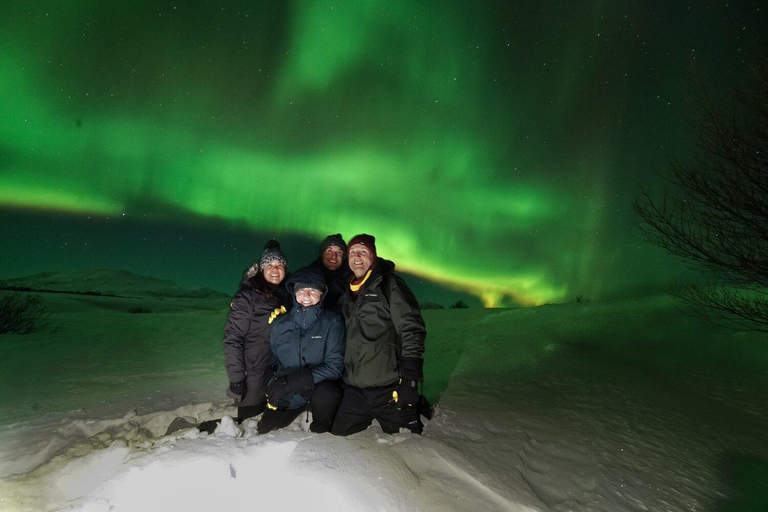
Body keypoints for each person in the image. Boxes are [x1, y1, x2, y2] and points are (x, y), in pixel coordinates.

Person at [331, 234, 427, 436]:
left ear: (373, 257)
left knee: (410, 443)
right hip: (354, 392)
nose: (357, 257)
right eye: (352, 253)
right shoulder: (347, 293)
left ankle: (418, 406)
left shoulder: (389, 285)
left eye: (363, 252)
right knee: (338, 441)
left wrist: (410, 379)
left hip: (388, 390)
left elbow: (411, 328)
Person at [197, 240, 291, 434]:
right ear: (261, 268)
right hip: (252, 377)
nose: (275, 270)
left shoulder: (286, 296)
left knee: (272, 425)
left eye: (280, 265)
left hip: (276, 373)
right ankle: (210, 432)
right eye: (270, 265)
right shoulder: (247, 298)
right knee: (249, 426)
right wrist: (237, 379)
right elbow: (233, 339)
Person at [258, 266, 345, 434]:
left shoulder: (332, 323)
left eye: (313, 290)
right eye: (302, 290)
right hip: (289, 391)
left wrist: (291, 383)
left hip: (317, 388)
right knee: (266, 431)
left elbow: (334, 367)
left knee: (328, 393)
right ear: (294, 293)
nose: (306, 295)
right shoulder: (279, 324)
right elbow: (275, 358)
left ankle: (321, 432)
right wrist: (271, 382)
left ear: (321, 293)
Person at [309, 233, 352, 315]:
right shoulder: (310, 275)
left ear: (343, 257)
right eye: (329, 251)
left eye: (339, 252)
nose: (334, 256)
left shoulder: (353, 277)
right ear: (322, 254)